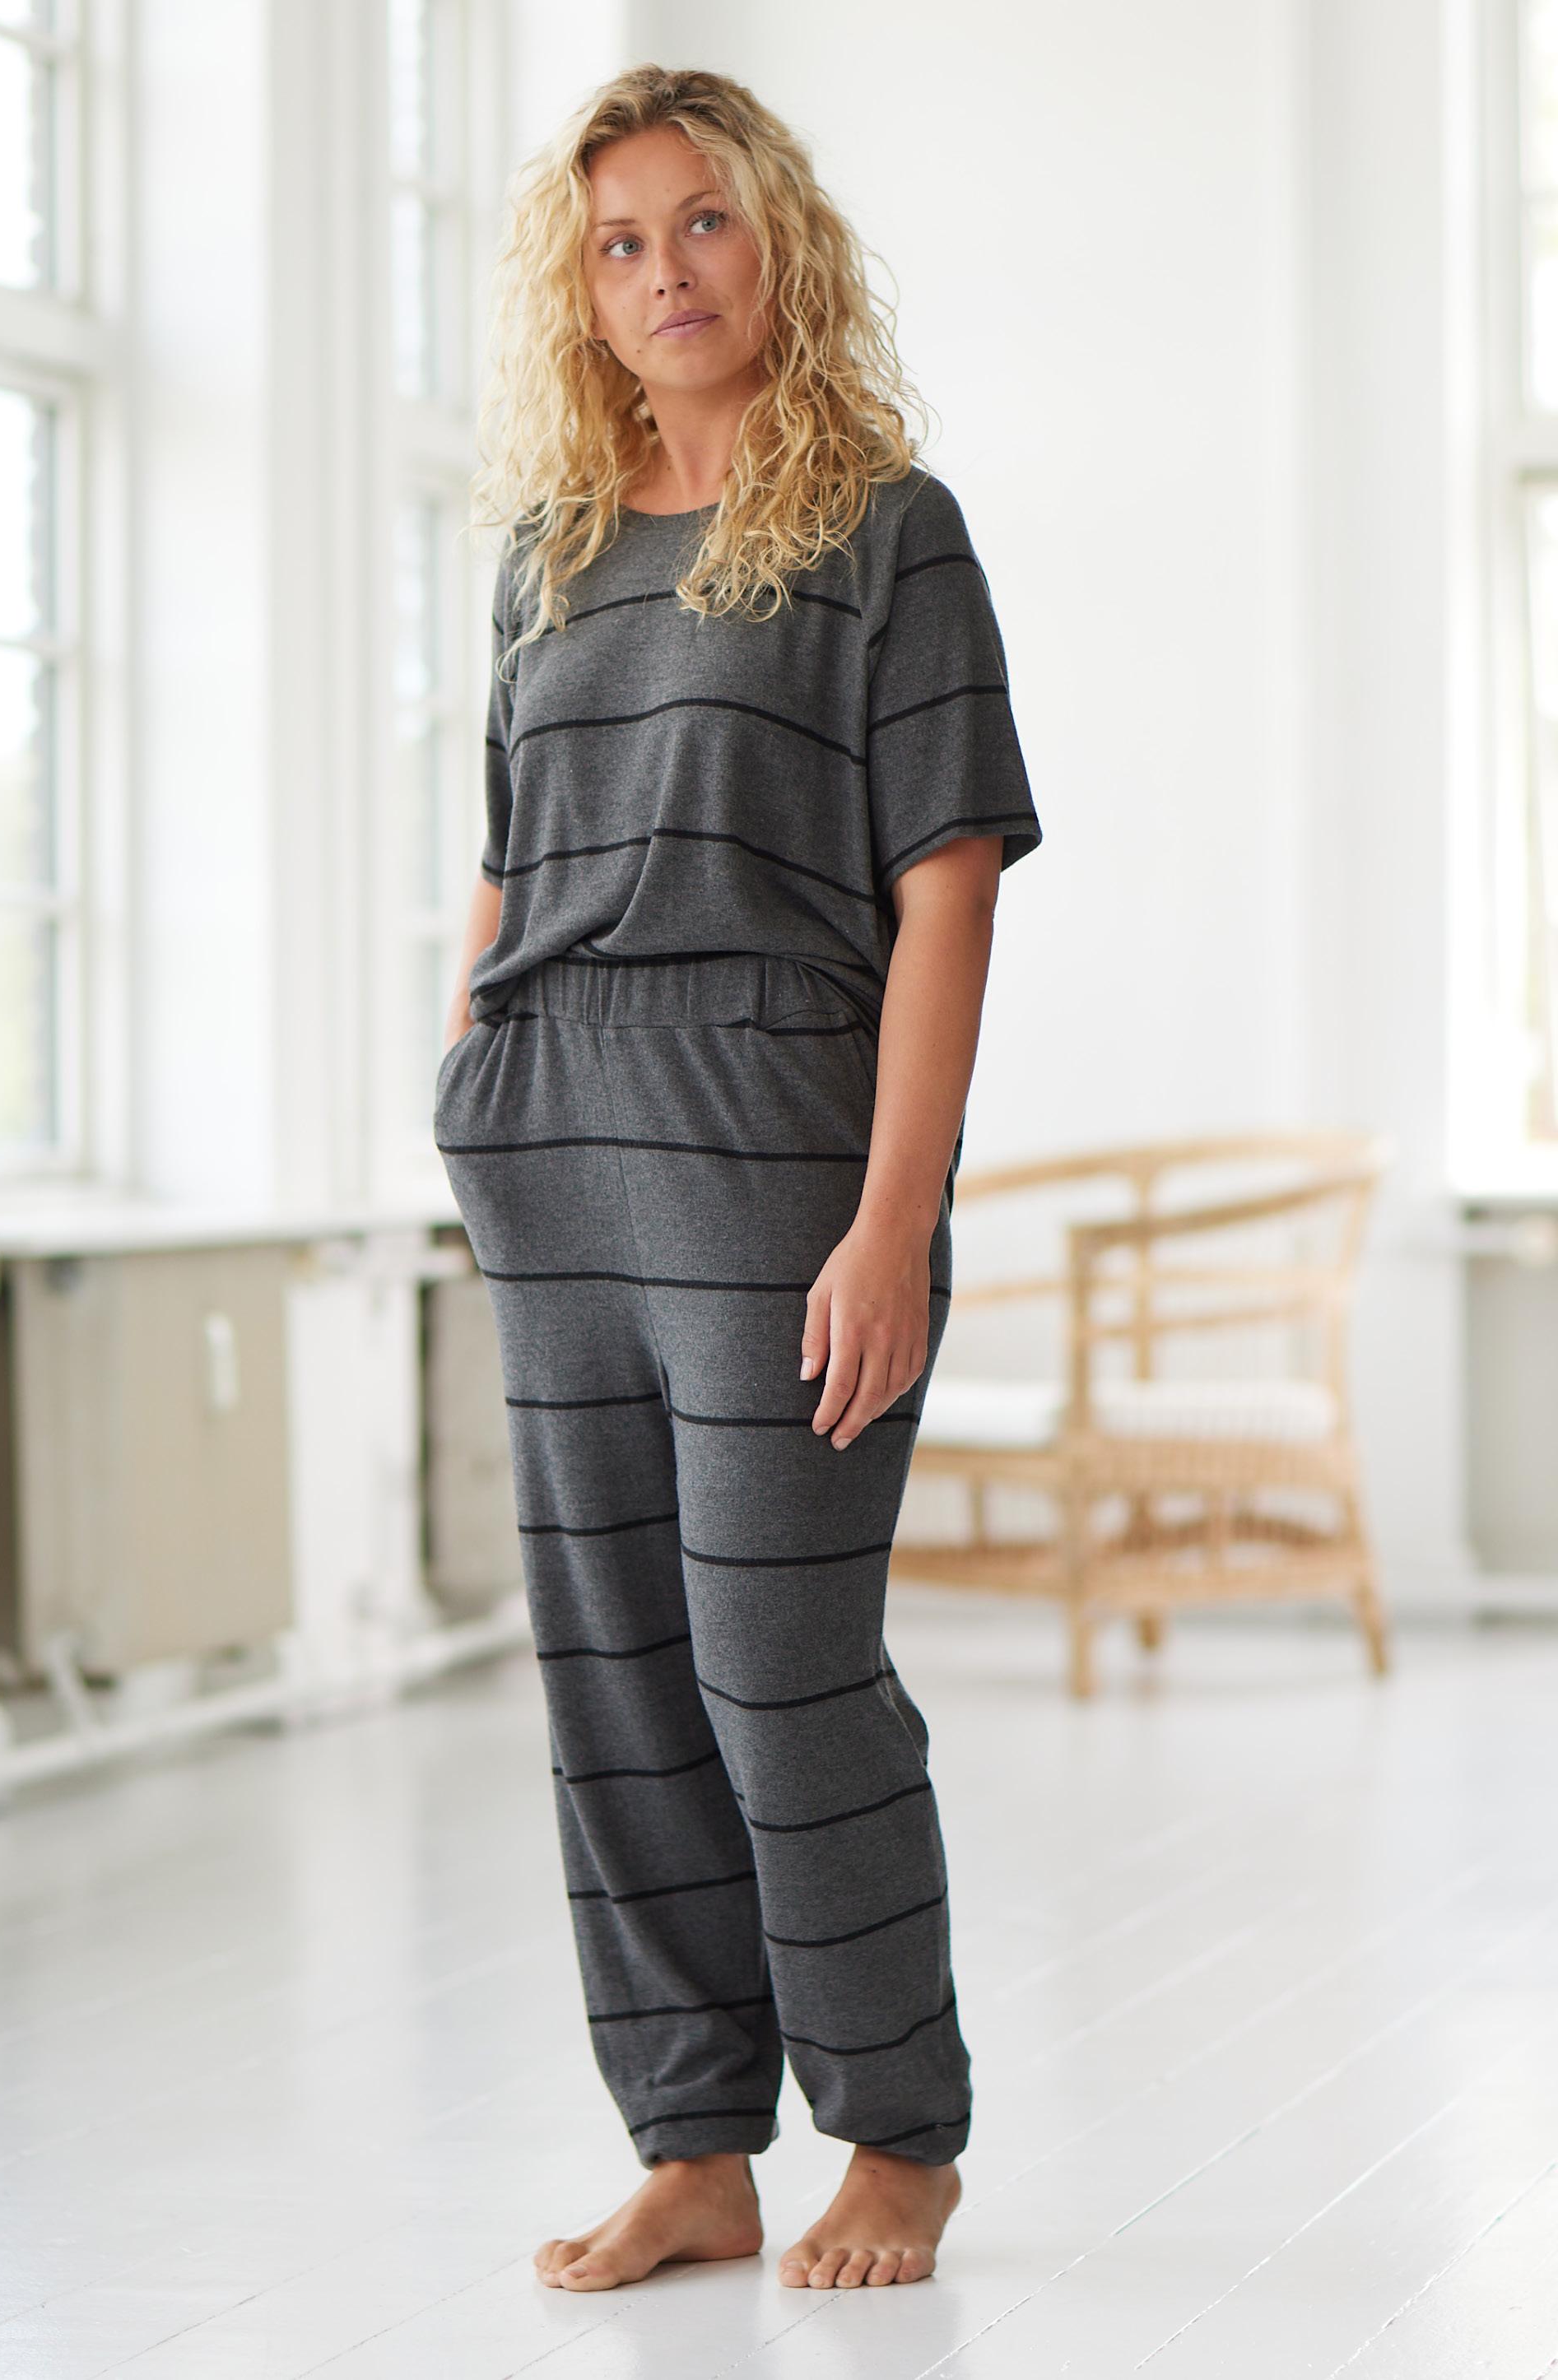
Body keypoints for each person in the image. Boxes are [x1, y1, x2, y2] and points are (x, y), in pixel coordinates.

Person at [436, 63, 1042, 2295]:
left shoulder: (890, 531)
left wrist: (892, 1218)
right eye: (619, 242)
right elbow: (507, 858)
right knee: (614, 1667)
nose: (665, 272)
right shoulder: (546, 556)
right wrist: (465, 1072)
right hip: (555, 1145)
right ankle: (692, 2138)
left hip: (777, 1146)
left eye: (702, 222)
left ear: (777, 242)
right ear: (580, 292)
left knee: (785, 1665)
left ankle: (898, 2131)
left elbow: (948, 891)